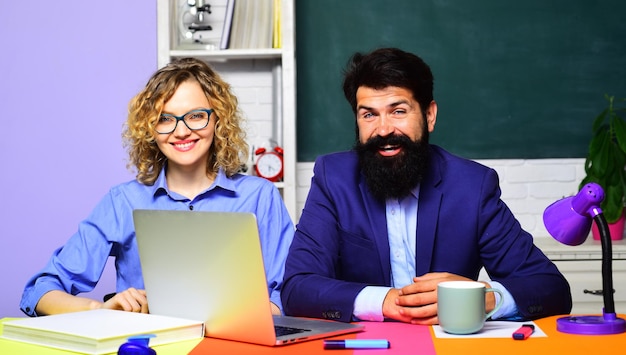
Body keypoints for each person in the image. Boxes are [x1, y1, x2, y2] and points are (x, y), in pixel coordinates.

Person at [281, 47, 572, 324]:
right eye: (369, 114)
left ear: (429, 115)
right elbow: (298, 288)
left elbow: (550, 288)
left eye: (398, 111)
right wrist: (386, 301)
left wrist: (485, 297)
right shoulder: (334, 178)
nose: (383, 130)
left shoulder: (472, 186)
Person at [21, 57, 294, 317]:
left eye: (196, 116)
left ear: (217, 119)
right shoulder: (123, 201)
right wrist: (100, 311)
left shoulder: (260, 197)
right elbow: (39, 292)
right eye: (165, 119)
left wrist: (248, 316)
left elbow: (286, 295)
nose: (182, 131)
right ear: (150, 129)